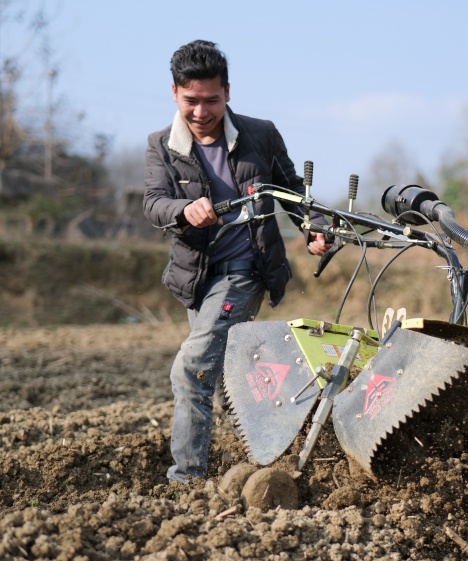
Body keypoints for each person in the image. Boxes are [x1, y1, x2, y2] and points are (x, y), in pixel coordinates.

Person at [143, 40, 330, 483]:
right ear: (174, 93)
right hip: (197, 280)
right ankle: (271, 457)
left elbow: (291, 191)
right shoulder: (160, 146)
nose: (201, 112)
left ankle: (187, 479)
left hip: (246, 272)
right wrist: (183, 210)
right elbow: (153, 203)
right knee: (230, 377)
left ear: (227, 92)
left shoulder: (259, 135)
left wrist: (315, 227)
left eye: (211, 100)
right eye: (191, 100)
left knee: (191, 370)